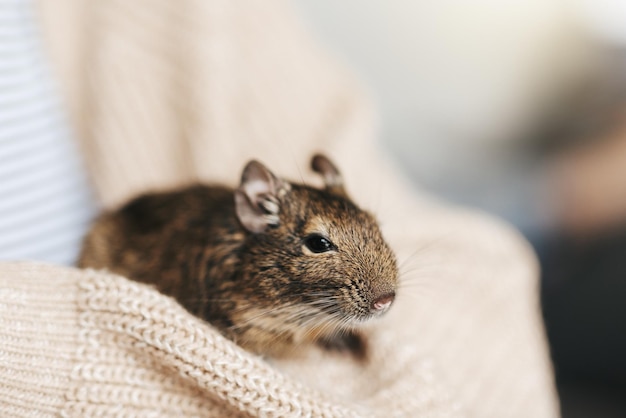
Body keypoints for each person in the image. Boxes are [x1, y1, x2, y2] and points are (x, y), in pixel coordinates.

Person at [0, 0, 558, 416]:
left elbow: (484, 275)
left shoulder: (208, 22)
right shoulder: (236, 290)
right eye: (319, 245)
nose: (384, 291)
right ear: (257, 213)